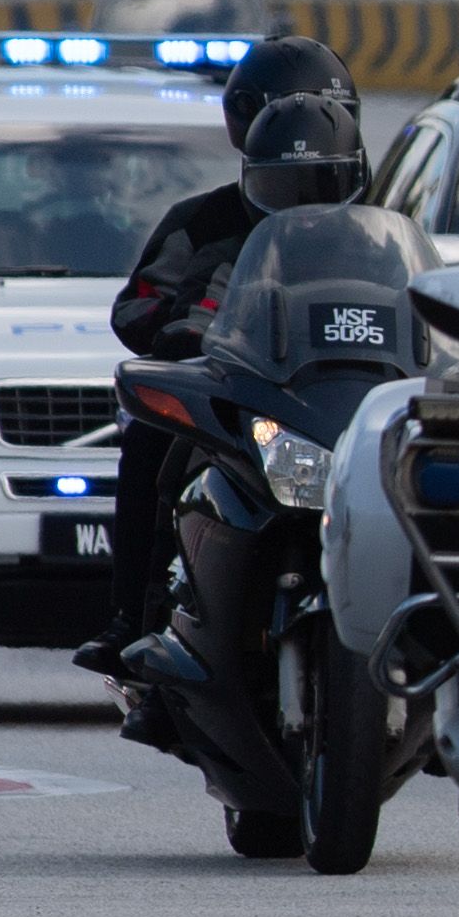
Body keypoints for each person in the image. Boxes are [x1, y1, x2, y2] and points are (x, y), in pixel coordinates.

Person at [75, 36, 359, 698]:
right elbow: (139, 307)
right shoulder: (203, 220)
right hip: (242, 394)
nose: (305, 184)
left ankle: (446, 631)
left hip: (339, 399)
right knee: (152, 435)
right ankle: (135, 617)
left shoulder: (378, 227)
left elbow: (414, 297)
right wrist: (184, 331)